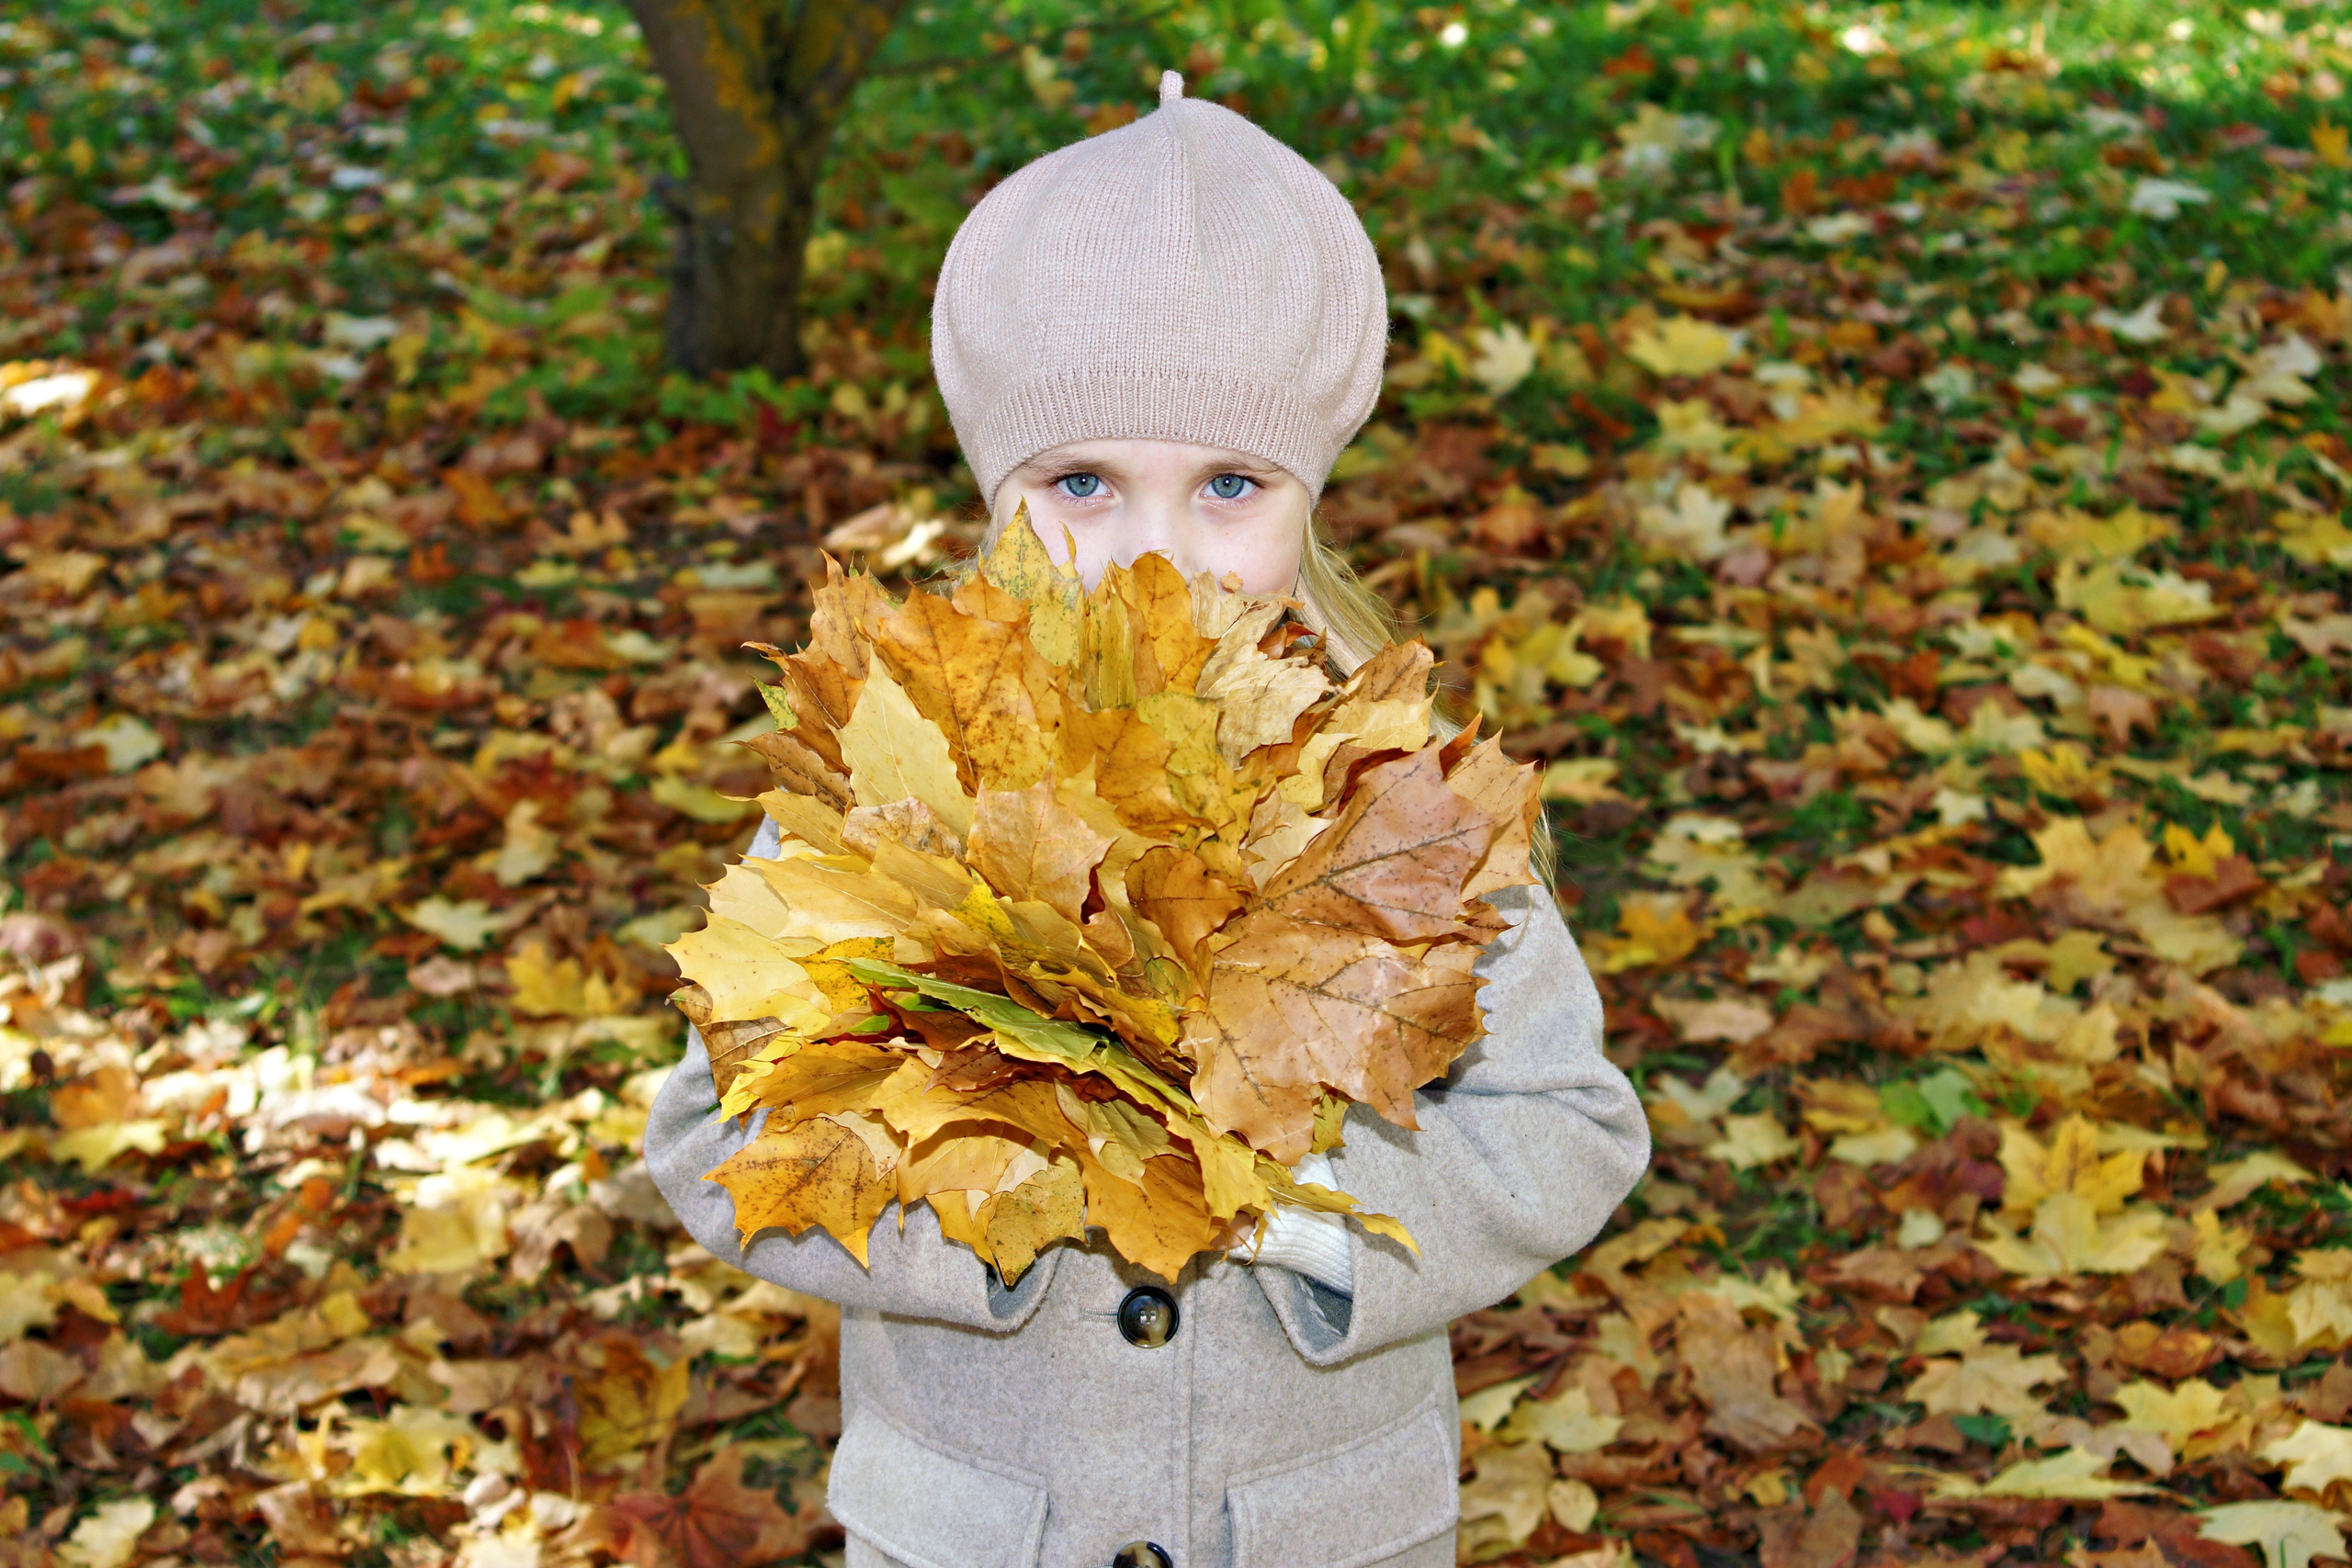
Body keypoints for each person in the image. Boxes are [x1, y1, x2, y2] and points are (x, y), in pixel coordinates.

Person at [642, 72, 1651, 1568]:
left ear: (1309, 498)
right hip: (979, 1537)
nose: (1155, 553)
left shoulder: (1399, 801)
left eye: (1230, 485)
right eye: (1085, 482)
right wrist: (1002, 1204)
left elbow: (1568, 1126)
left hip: (1320, 1540)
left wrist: (1304, 1216)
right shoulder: (903, 784)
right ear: (1000, 495)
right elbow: (715, 1138)